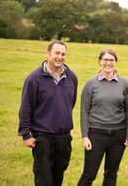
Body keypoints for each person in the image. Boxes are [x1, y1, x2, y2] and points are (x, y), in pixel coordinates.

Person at [18, 40, 78, 186]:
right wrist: (26, 134)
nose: (60, 57)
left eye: (63, 54)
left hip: (63, 138)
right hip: (43, 137)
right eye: (57, 53)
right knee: (43, 180)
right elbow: (26, 107)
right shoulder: (34, 78)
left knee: (58, 178)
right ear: (48, 54)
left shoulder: (71, 77)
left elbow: (71, 103)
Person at [78, 48, 128, 186]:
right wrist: (85, 136)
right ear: (100, 62)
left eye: (111, 60)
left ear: (116, 62)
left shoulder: (125, 83)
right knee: (89, 174)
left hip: (118, 136)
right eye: (105, 60)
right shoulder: (91, 84)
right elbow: (84, 111)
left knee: (111, 175)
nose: (108, 63)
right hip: (96, 135)